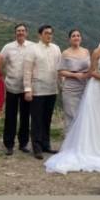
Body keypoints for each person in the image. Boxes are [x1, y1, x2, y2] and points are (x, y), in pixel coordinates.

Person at [45, 29, 100, 174]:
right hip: (98, 89)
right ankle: (91, 148)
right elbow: (92, 72)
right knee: (95, 118)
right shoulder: (96, 52)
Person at [23, 25, 61, 159]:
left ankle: (46, 145)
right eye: (46, 33)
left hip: (52, 89)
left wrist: (61, 84)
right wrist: (28, 90)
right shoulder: (32, 49)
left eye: (51, 33)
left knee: (47, 119)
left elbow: (59, 68)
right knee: (37, 120)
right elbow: (27, 71)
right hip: (37, 90)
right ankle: (37, 147)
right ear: (39, 35)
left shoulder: (56, 48)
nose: (49, 35)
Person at [0, 24, 35, 155]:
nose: (20, 33)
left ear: (27, 33)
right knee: (10, 116)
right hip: (11, 86)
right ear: (15, 33)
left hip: (27, 87)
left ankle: (23, 143)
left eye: (23, 31)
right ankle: (9, 144)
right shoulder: (8, 47)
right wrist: (2, 78)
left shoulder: (33, 46)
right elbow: (0, 63)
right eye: (18, 31)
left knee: (25, 116)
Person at [58, 29, 91, 132]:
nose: (76, 37)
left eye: (78, 35)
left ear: (81, 38)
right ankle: (70, 142)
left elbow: (91, 68)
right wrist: (75, 75)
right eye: (73, 36)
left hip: (85, 86)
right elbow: (61, 71)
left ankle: (81, 142)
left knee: (83, 115)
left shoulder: (86, 51)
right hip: (70, 88)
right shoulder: (65, 53)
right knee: (71, 115)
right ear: (69, 39)